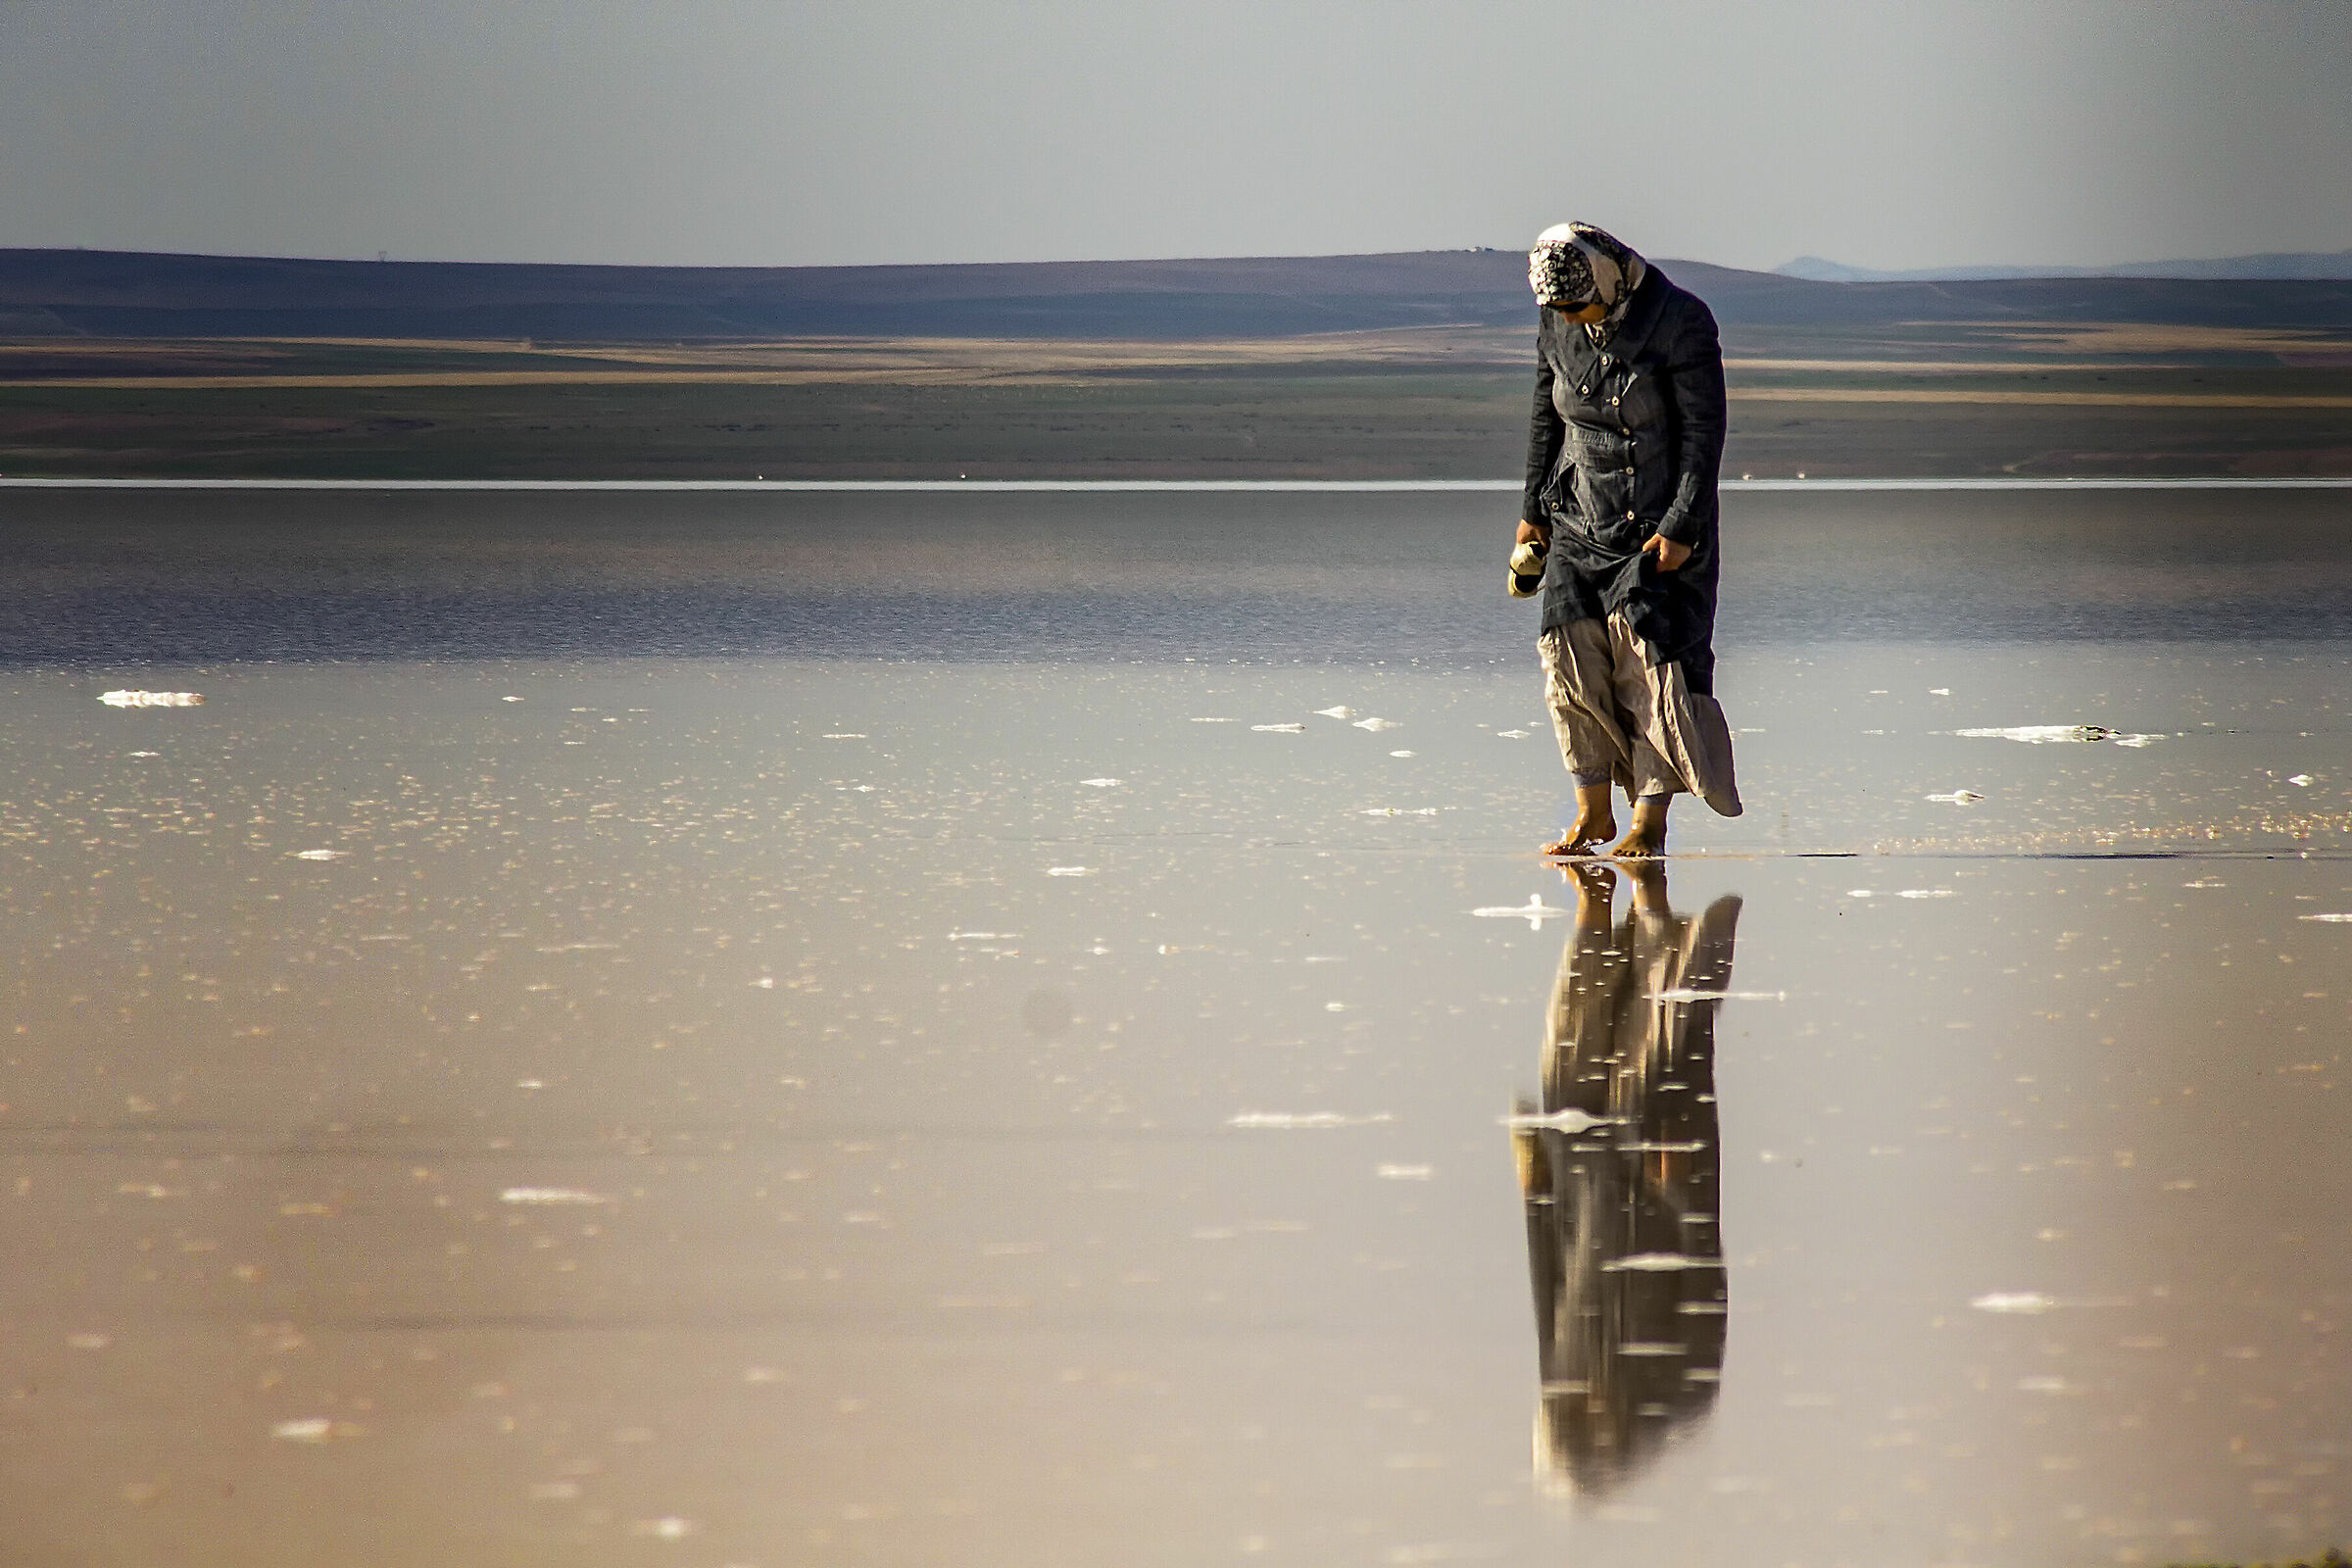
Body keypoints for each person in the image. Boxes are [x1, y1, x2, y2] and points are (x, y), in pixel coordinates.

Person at [1511, 221, 1741, 858]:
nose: (1569, 317)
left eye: (1578, 304)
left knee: (1650, 669)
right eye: (1559, 308)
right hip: (1577, 515)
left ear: (1607, 281)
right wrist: (1532, 511)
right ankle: (1592, 814)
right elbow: (1545, 414)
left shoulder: (1680, 321)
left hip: (1656, 526)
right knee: (1569, 657)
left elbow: (1704, 436)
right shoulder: (1557, 320)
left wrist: (1682, 526)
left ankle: (1649, 820)